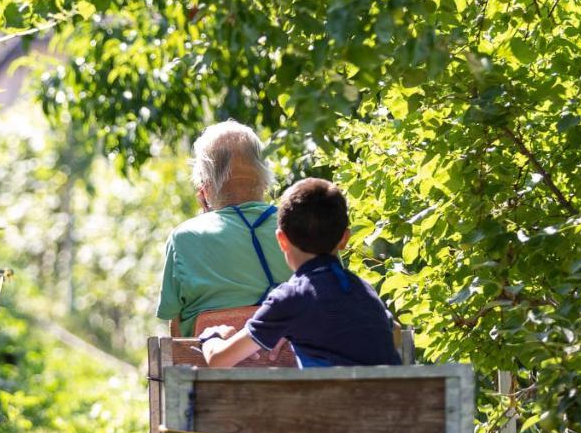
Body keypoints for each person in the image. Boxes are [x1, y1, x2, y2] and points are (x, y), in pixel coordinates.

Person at [199, 177, 401, 368]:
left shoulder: (289, 299)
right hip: (389, 403)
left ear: (281, 240)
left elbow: (219, 360)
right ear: (344, 239)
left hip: (331, 405)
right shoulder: (364, 290)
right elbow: (396, 331)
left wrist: (212, 337)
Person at [156, 121, 292, 336]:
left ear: (205, 186)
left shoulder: (185, 238)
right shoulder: (301, 225)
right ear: (265, 178)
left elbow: (176, 328)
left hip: (212, 364)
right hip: (300, 363)